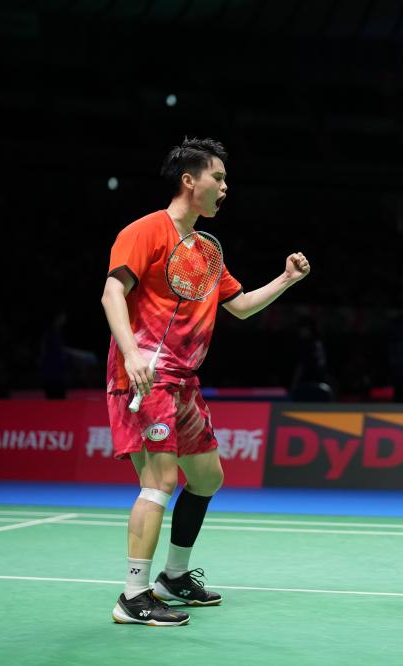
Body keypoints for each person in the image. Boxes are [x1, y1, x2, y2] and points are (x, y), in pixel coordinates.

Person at [101, 137, 311, 626]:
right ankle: (132, 596)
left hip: (184, 381)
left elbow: (240, 306)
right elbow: (112, 292)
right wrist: (131, 353)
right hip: (146, 377)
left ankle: (173, 577)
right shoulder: (146, 230)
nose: (225, 186)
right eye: (218, 177)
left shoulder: (205, 250)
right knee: (159, 481)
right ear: (189, 180)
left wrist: (286, 280)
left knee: (207, 477)